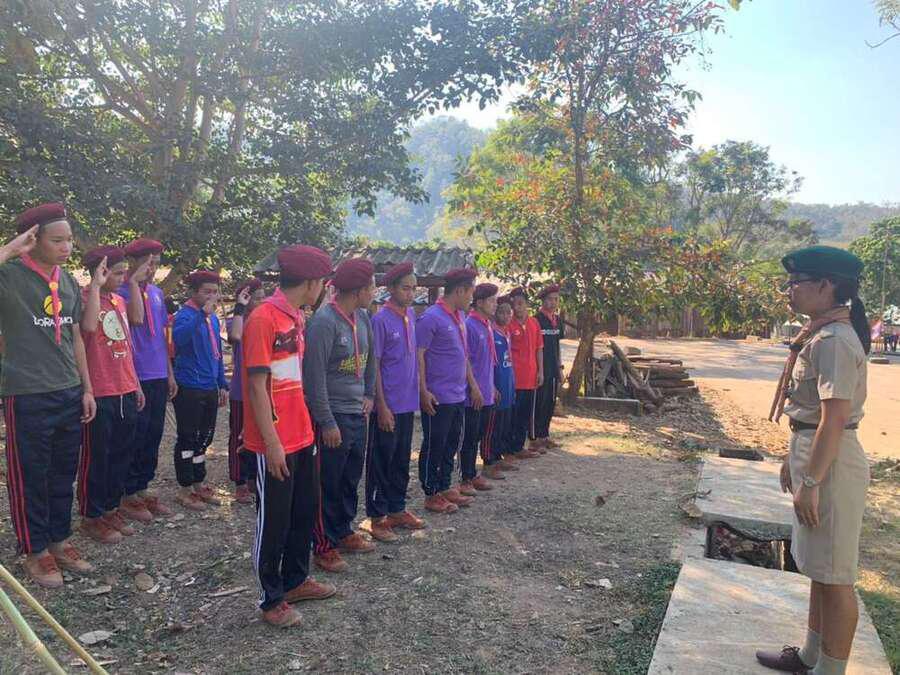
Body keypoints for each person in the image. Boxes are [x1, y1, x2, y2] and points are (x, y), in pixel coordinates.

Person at [757, 246, 872, 675]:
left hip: (833, 465)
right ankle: (810, 656)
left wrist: (812, 481)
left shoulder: (835, 341)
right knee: (818, 568)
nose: (789, 290)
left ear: (826, 286)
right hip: (816, 453)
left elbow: (834, 419)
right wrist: (795, 460)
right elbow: (809, 418)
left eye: (796, 282)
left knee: (836, 576)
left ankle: (831, 669)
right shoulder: (821, 334)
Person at [0, 203, 96, 587]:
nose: (66, 247)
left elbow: (75, 336)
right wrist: (10, 250)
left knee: (62, 473)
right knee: (30, 474)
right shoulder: (9, 276)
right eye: (57, 240)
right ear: (32, 239)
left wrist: (87, 388)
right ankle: (35, 550)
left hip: (68, 390)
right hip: (27, 393)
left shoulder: (67, 281)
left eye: (69, 239)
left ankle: (59, 539)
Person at [243, 245, 336, 628]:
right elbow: (256, 386)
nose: (323, 289)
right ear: (312, 282)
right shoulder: (263, 318)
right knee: (274, 520)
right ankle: (271, 598)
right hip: (275, 440)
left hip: (302, 434)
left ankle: (296, 579)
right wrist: (271, 443)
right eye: (323, 283)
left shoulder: (296, 317)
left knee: (302, 511)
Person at [306, 258, 378, 573]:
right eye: (372, 287)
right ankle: (323, 545)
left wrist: (369, 395)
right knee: (328, 482)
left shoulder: (362, 317)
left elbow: (371, 360)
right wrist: (326, 421)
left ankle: (344, 530)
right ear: (358, 290)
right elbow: (314, 377)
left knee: (350, 477)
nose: (375, 292)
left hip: (357, 413)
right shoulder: (324, 322)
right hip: (334, 414)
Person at [77, 246, 146, 545]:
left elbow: (126, 345)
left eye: (123, 273)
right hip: (100, 390)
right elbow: (88, 327)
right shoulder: (83, 298)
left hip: (125, 388)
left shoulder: (119, 300)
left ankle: (111, 508)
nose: (122, 278)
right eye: (116, 273)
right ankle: (91, 516)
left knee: (121, 453)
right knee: (97, 457)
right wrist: (95, 287)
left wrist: (136, 384)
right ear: (99, 273)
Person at [366, 262, 426, 543]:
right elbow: (375, 365)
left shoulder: (411, 315)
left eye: (414, 288)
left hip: (407, 402)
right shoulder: (380, 320)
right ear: (390, 288)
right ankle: (377, 517)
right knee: (381, 460)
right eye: (405, 288)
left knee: (401, 458)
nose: (410, 293)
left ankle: (397, 508)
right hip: (387, 404)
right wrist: (381, 406)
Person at [118, 238, 176, 522]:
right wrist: (133, 284)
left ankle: (142, 486)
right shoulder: (119, 291)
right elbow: (136, 322)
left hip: (158, 373)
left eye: (157, 263)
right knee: (135, 435)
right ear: (133, 262)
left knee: (154, 434)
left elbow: (163, 336)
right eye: (148, 263)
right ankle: (127, 492)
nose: (153, 269)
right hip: (135, 375)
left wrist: (170, 373)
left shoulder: (156, 293)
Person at [416, 268, 482, 514]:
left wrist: (472, 385)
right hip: (438, 396)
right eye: (470, 293)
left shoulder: (459, 317)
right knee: (435, 444)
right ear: (460, 291)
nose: (471, 299)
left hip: (457, 394)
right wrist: (423, 390)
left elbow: (463, 355)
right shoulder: (431, 317)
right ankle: (431, 493)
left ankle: (444, 485)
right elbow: (419, 356)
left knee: (451, 443)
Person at [171, 270, 228, 511]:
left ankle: (198, 481)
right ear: (194, 292)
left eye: (215, 292)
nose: (211, 296)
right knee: (187, 436)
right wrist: (200, 315)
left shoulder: (212, 318)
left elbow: (217, 353)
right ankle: (184, 488)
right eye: (206, 292)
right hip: (189, 386)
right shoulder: (184, 316)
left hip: (209, 385)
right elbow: (179, 340)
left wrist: (222, 383)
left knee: (206, 436)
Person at [458, 283, 500, 494]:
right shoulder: (470, 325)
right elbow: (465, 359)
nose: (495, 305)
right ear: (480, 302)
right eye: (492, 301)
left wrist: (491, 386)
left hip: (486, 391)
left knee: (479, 434)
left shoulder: (486, 325)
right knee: (469, 436)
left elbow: (486, 361)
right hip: (472, 395)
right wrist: (474, 387)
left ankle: (473, 473)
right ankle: (465, 477)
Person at [227, 278, 265, 505]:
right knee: (238, 435)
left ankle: (253, 477)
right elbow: (236, 337)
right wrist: (240, 307)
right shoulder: (236, 321)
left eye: (262, 297)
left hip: (261, 390)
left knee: (259, 433)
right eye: (256, 298)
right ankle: (239, 481)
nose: (261, 301)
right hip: (241, 391)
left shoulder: (264, 320)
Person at [482, 295, 519, 480]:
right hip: (495, 386)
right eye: (501, 312)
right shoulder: (491, 332)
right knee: (492, 427)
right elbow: (489, 363)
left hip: (507, 385)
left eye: (508, 312)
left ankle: (498, 456)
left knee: (504, 423)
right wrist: (492, 386)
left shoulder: (506, 333)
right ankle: (488, 461)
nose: (505, 315)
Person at [508, 287, 544, 460]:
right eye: (515, 304)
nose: (518, 308)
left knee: (525, 414)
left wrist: (541, 371)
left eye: (521, 303)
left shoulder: (534, 323)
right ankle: (509, 448)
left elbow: (539, 349)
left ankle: (520, 446)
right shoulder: (508, 324)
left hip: (531, 377)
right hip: (514, 378)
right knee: (512, 415)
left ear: (527, 304)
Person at [533, 284, 563, 451]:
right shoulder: (536, 320)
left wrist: (560, 369)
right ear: (543, 301)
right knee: (539, 403)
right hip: (539, 370)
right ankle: (535, 438)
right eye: (550, 299)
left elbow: (557, 346)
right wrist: (539, 370)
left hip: (553, 369)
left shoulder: (557, 321)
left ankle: (545, 435)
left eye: (556, 299)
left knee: (550, 403)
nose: (553, 302)